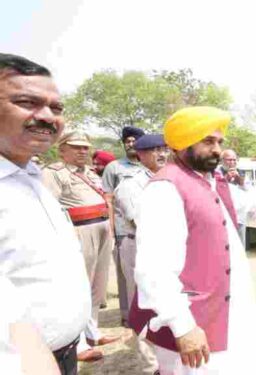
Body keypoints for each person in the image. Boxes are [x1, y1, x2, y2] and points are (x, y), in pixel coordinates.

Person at [129, 106, 256, 374]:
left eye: (219, 142)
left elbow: (248, 203)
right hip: (193, 324)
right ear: (182, 142)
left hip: (223, 313)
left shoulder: (206, 181)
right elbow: (154, 269)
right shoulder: (165, 189)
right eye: (208, 141)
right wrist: (182, 326)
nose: (217, 149)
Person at [0, 52, 90, 374]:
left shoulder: (30, 176)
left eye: (56, 107)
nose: (48, 117)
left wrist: (76, 337)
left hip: (60, 355)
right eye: (27, 102)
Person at [42, 131, 120, 362]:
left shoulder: (91, 174)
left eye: (85, 148)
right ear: (62, 149)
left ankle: (93, 332)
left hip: (102, 228)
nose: (82, 152)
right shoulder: (54, 173)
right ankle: (78, 344)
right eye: (76, 147)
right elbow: (49, 206)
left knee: (98, 285)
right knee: (79, 287)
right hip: (79, 231)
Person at [113, 134, 168, 373]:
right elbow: (139, 220)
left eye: (164, 149)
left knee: (165, 300)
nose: (162, 154)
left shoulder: (169, 179)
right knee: (143, 304)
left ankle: (168, 358)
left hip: (165, 246)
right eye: (155, 150)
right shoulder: (129, 184)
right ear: (141, 154)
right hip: (138, 246)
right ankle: (151, 364)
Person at [101, 126, 144, 324]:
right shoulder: (114, 167)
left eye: (135, 140)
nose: (131, 144)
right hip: (124, 230)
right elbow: (107, 200)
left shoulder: (148, 165)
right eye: (127, 141)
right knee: (125, 275)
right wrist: (112, 229)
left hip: (147, 229)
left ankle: (146, 312)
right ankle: (128, 316)